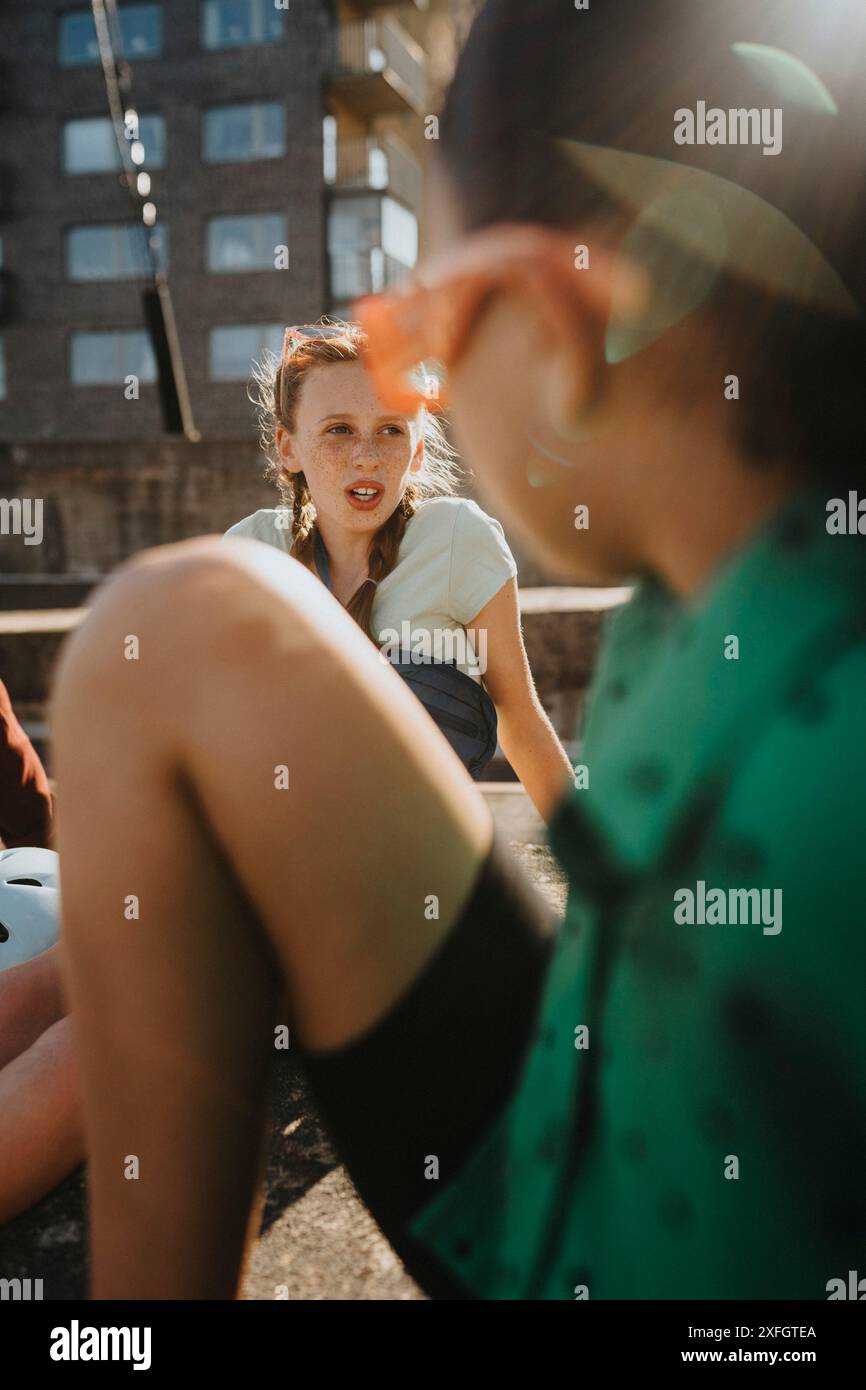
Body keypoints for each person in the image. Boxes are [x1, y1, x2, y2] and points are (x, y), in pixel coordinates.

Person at [49, 0, 866, 1299]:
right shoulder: (693, 585)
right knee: (177, 638)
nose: (398, 426)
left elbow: (529, 730)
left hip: (589, 1234)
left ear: (553, 322)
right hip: (577, 1109)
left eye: (417, 340)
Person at [227, 321, 574, 805]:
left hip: (420, 863)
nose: (366, 456)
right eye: (339, 430)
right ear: (289, 448)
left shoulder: (456, 539)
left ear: (417, 452)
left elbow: (519, 719)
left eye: (391, 429)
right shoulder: (250, 552)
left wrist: (596, 871)